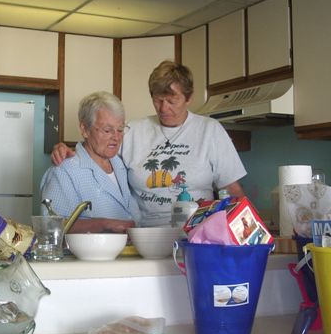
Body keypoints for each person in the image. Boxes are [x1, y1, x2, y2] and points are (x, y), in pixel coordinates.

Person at [52, 60, 247, 227]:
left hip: (197, 233)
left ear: (189, 98)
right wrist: (68, 150)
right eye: (158, 100)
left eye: (172, 101)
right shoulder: (134, 130)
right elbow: (100, 150)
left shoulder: (210, 130)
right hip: (143, 235)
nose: (164, 108)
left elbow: (233, 191)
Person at [40, 91, 140, 233]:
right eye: (107, 130)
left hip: (131, 253)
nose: (116, 137)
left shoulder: (121, 164)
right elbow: (50, 227)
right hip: (88, 255)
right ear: (84, 129)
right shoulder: (64, 171)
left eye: (120, 129)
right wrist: (104, 224)